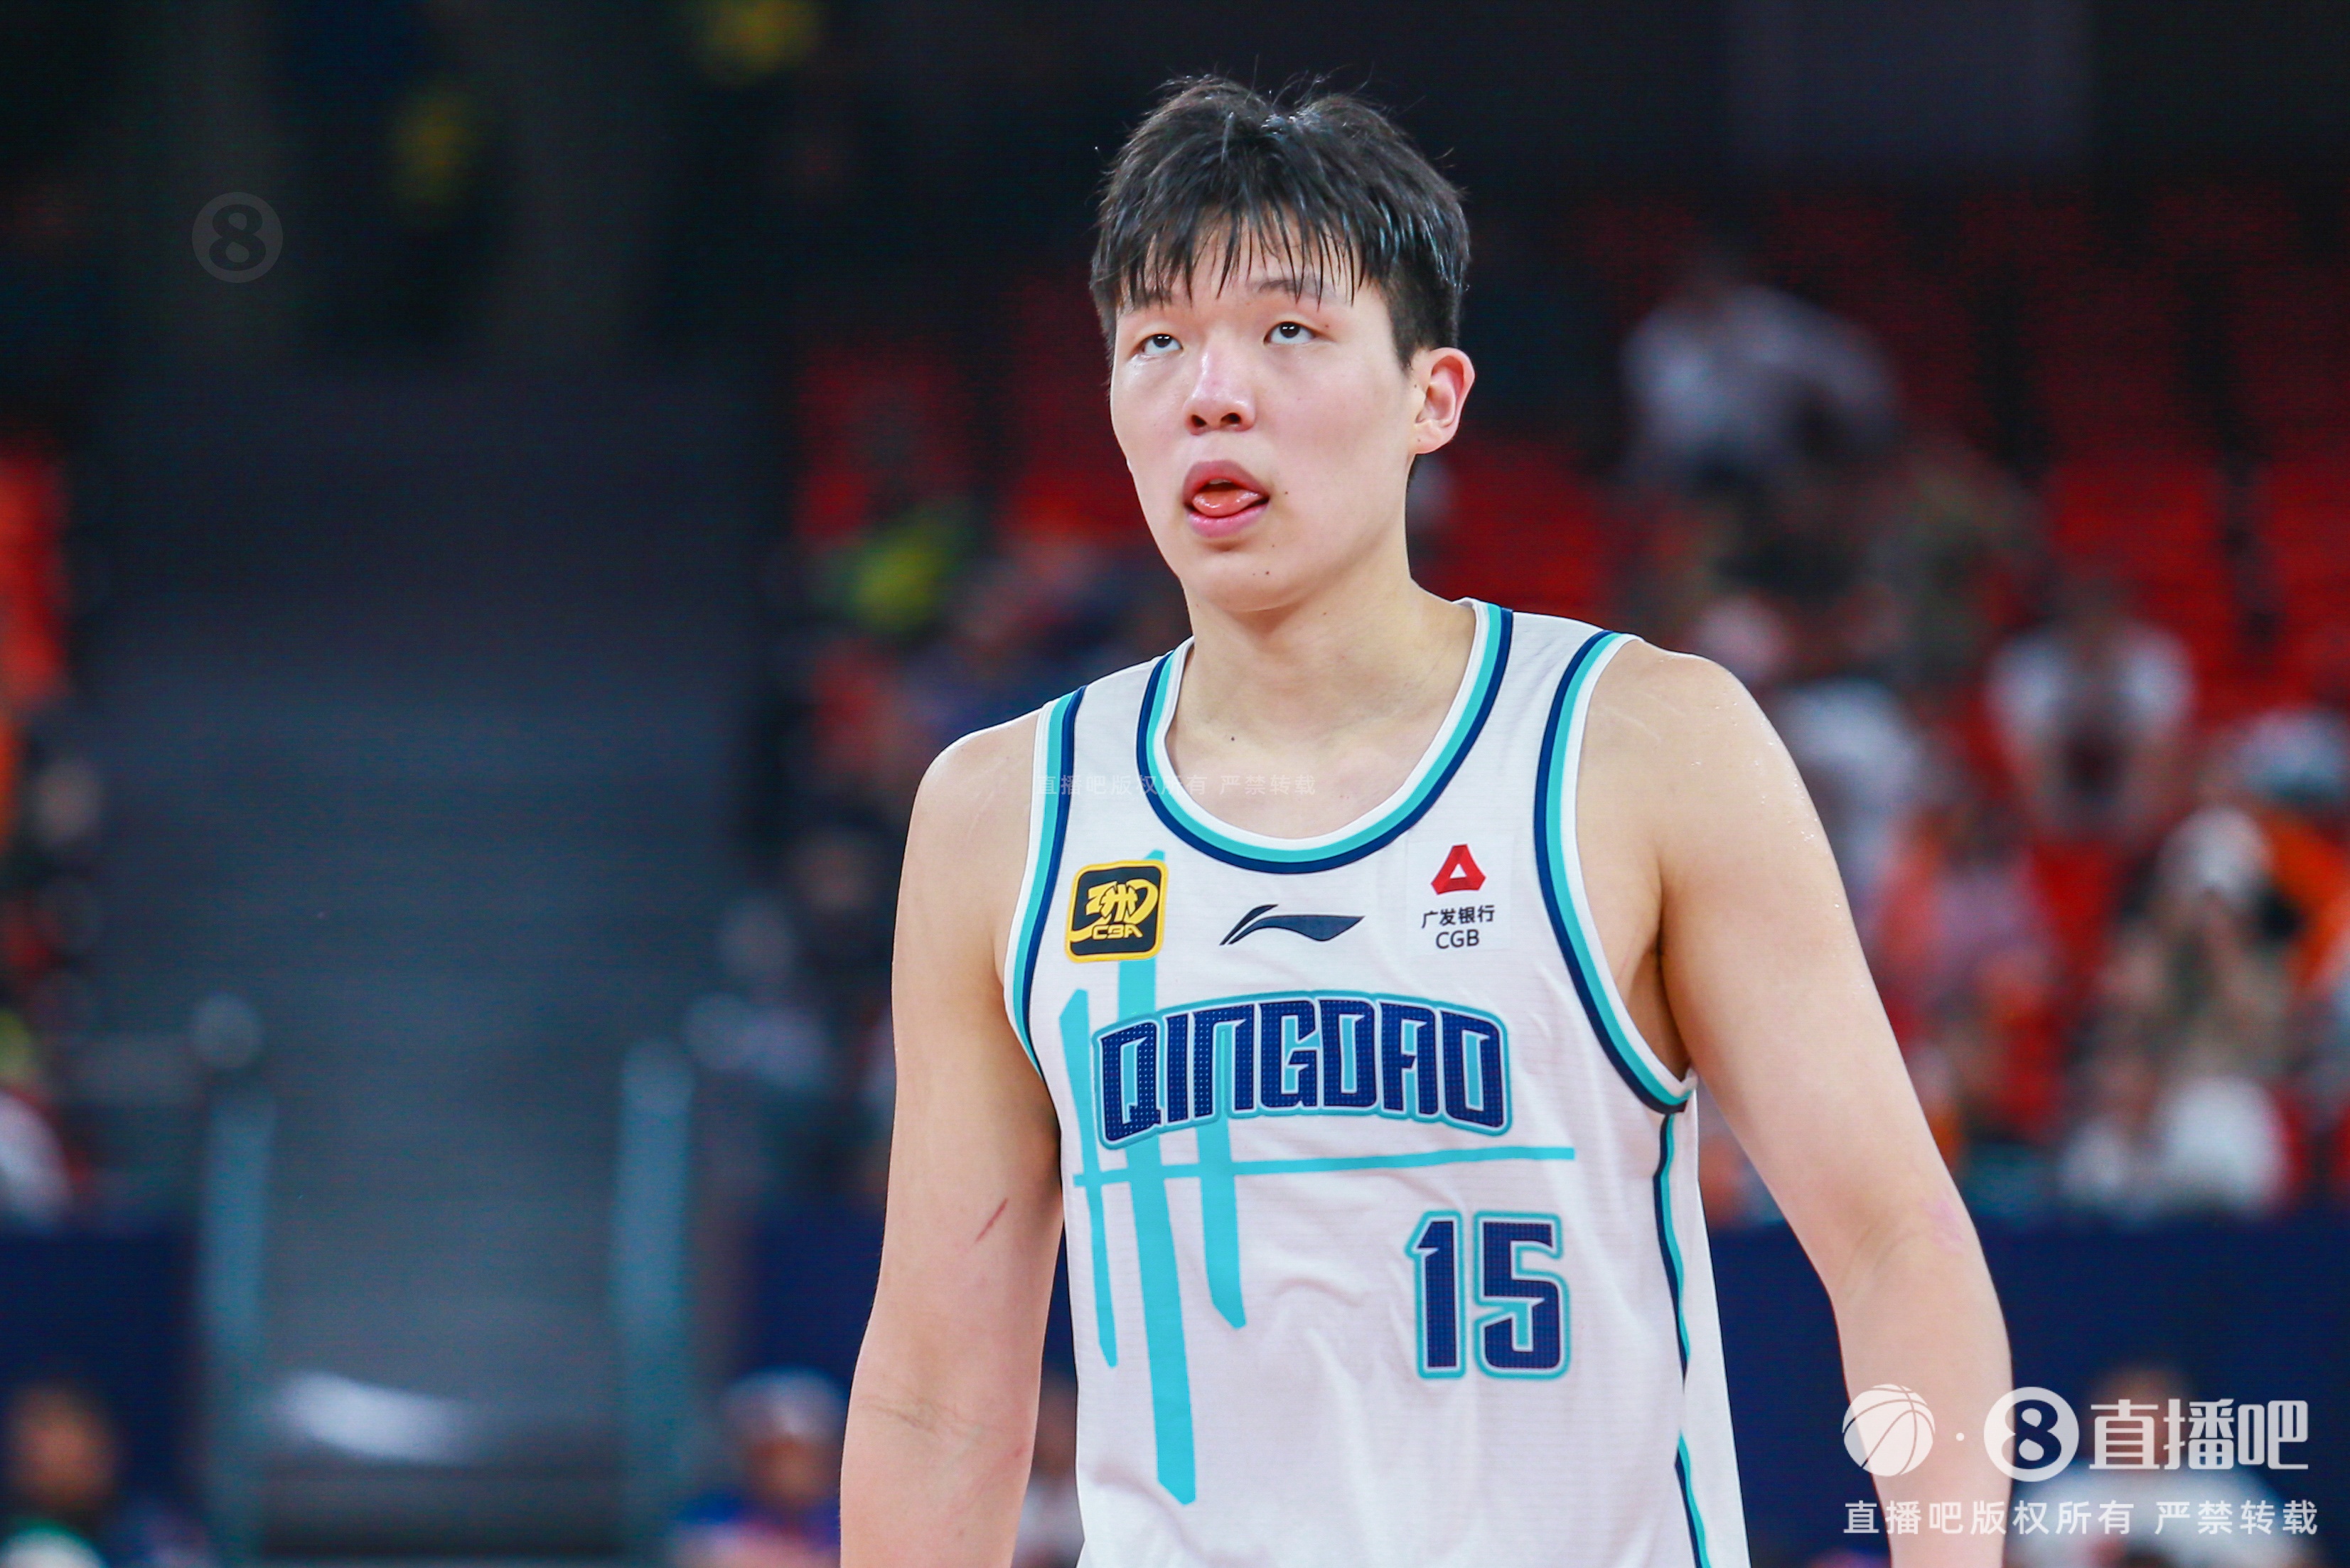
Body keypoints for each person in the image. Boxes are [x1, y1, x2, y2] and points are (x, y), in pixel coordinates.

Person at [842, 77, 2010, 1567]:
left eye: (1288, 330)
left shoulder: (1642, 745)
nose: (1213, 390)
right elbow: (938, 1389)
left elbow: (1898, 1242)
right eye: (1157, 341)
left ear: (1432, 397)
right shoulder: (1005, 812)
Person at [1, 1379, 209, 1568]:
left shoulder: (151, 1530)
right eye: (47, 1427)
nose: (77, 1447)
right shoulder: (36, 1554)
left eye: (83, 1423)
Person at [672, 1370, 844, 1568]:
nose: (786, 1469)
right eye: (770, 1455)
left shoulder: (848, 1515)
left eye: (799, 1454)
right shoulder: (712, 1517)